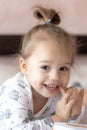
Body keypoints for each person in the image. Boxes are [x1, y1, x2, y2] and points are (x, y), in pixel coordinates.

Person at [0, 6, 85, 130]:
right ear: (25, 67)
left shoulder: (56, 92)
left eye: (63, 68)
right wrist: (58, 118)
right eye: (45, 67)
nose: (55, 77)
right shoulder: (16, 92)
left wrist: (74, 113)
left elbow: (64, 126)